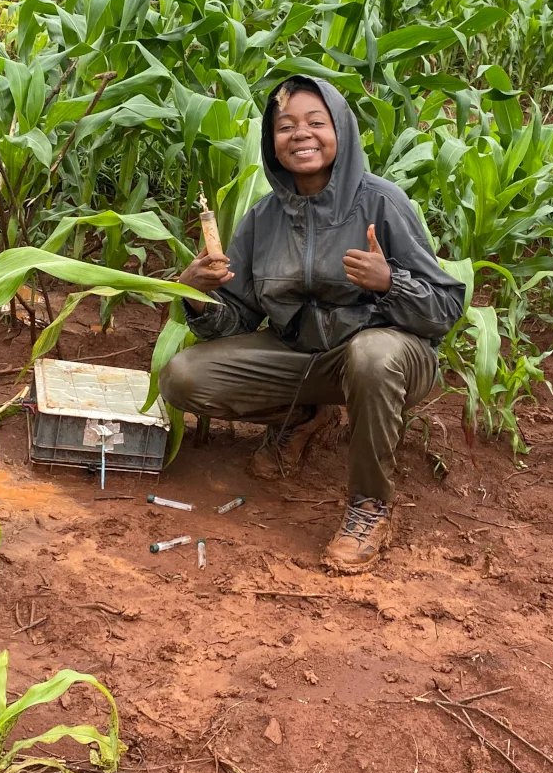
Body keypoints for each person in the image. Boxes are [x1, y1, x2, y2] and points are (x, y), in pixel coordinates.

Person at [163, 75, 465, 570]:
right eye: (285, 126)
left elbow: (444, 310)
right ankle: (302, 417)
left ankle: (370, 507)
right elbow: (239, 317)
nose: (300, 134)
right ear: (271, 142)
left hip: (384, 358)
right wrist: (196, 296)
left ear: (340, 131)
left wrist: (389, 282)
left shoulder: (381, 202)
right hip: (301, 358)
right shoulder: (263, 218)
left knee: (372, 355)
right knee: (183, 376)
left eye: (315, 122)